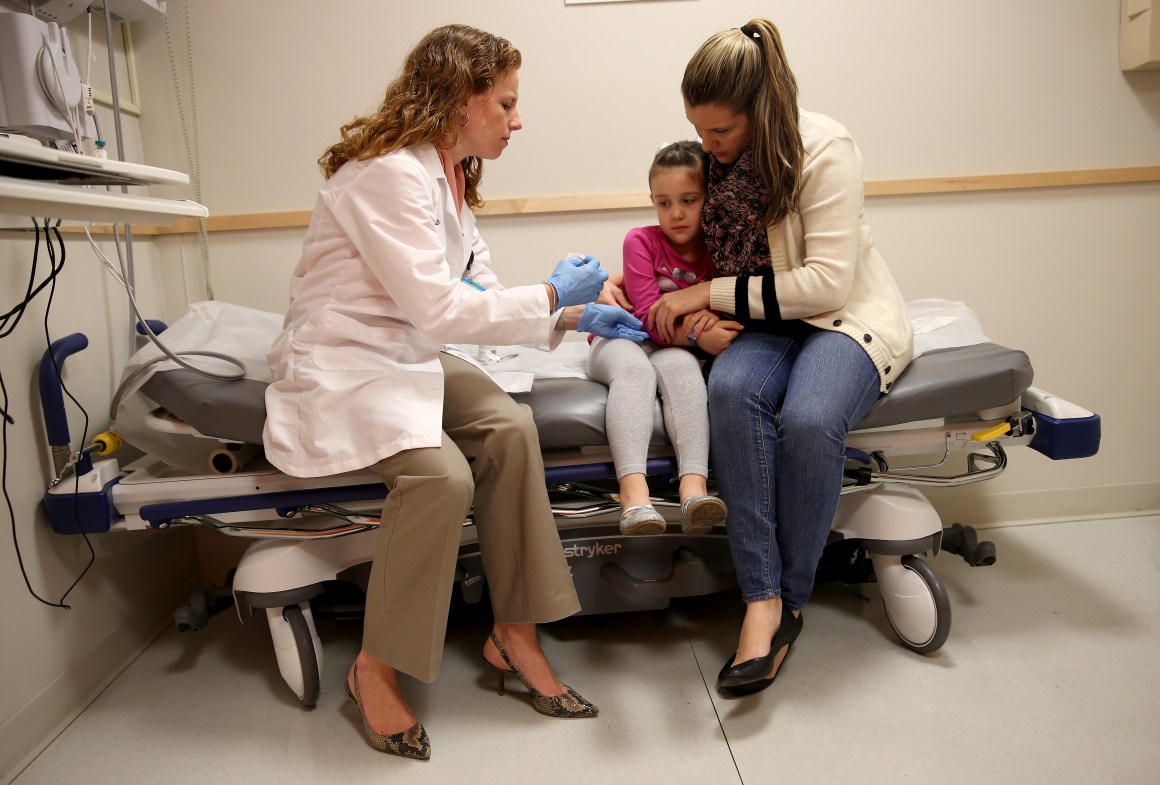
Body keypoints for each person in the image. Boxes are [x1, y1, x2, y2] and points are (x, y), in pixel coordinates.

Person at [262, 24, 647, 760]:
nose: (517, 118)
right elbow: (440, 308)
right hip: (347, 363)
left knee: (508, 427)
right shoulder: (386, 174)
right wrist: (546, 293)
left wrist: (566, 313)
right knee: (441, 476)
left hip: (409, 353)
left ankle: (516, 633)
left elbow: (480, 295)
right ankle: (375, 666)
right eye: (504, 103)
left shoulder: (451, 175)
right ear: (458, 100)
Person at [649, 18, 914, 696]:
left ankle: (790, 599)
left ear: (760, 109)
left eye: (720, 133)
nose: (707, 148)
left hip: (841, 318)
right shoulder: (717, 156)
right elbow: (684, 236)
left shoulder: (825, 148)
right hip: (763, 321)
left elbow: (825, 282)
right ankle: (759, 595)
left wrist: (709, 291)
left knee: (810, 418)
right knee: (731, 393)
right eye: (698, 130)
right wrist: (647, 283)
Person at [587, 141, 741, 536]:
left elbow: (726, 305)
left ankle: (695, 489)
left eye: (689, 200)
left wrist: (704, 322)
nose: (676, 213)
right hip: (621, 335)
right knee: (636, 372)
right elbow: (646, 317)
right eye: (664, 202)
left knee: (684, 370)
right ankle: (634, 496)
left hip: (673, 347)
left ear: (711, 197)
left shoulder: (719, 247)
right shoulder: (640, 241)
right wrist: (697, 330)